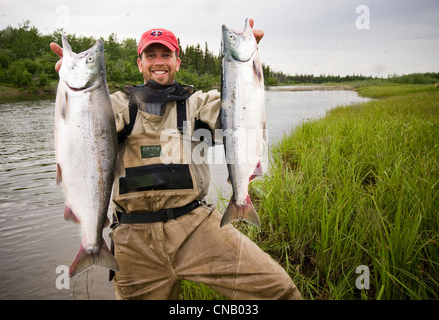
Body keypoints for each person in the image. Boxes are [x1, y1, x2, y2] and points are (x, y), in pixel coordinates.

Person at [50, 19, 302, 300]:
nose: (159, 62)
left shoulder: (198, 104)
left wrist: (244, 69)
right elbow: (82, 125)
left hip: (195, 226)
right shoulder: (116, 105)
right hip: (133, 240)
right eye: (151, 55)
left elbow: (241, 113)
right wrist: (72, 86)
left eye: (166, 55)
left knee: (278, 291)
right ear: (140, 63)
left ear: (177, 61)